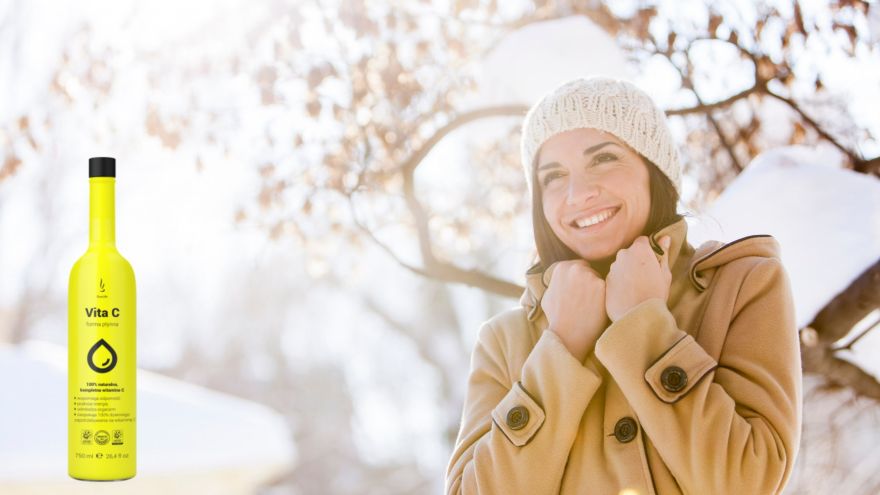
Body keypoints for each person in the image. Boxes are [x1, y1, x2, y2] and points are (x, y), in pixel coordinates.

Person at [445, 76, 802, 495]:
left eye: (603, 159)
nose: (578, 193)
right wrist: (560, 349)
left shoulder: (743, 284)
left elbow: (748, 482)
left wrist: (643, 326)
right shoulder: (504, 342)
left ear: (654, 171)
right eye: (553, 176)